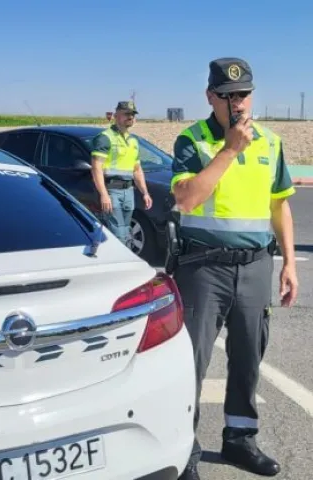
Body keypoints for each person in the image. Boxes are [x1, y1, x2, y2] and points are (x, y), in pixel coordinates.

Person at [170, 57, 298, 480]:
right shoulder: (192, 141)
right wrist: (228, 150)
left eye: (243, 94)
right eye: (227, 95)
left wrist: (289, 263)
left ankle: (240, 439)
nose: (237, 103)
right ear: (211, 97)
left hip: (255, 266)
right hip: (203, 268)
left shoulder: (271, 142)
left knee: (248, 358)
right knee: (192, 361)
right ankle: (183, 450)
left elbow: (280, 206)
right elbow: (187, 199)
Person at [90, 101, 152, 246]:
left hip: (129, 191)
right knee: (118, 234)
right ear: (116, 116)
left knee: (126, 232)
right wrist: (104, 194)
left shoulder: (133, 141)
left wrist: (145, 193)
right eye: (126, 114)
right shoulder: (105, 138)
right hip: (112, 191)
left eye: (133, 115)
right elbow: (96, 168)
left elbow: (137, 170)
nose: (130, 117)